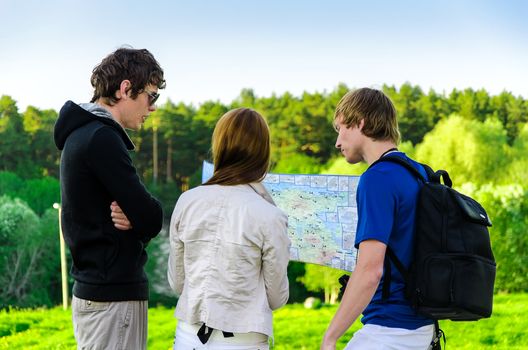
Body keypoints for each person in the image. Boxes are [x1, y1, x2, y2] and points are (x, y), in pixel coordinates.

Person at [53, 47, 166, 350]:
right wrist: (140, 219)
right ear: (126, 88)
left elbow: (139, 216)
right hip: (112, 297)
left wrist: (137, 220)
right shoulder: (101, 138)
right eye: (151, 96)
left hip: (98, 293)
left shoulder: (81, 135)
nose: (152, 108)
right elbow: (151, 217)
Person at [167, 108, 291, 349]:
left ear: (219, 147)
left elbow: (178, 283)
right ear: (263, 151)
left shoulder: (187, 201)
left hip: (188, 336)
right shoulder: (270, 215)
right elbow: (276, 297)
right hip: (243, 340)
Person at [321, 88, 434, 350]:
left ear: (360, 122)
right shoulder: (419, 174)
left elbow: (370, 270)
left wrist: (330, 338)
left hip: (389, 332)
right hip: (424, 329)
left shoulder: (377, 178)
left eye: (340, 129)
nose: (338, 142)